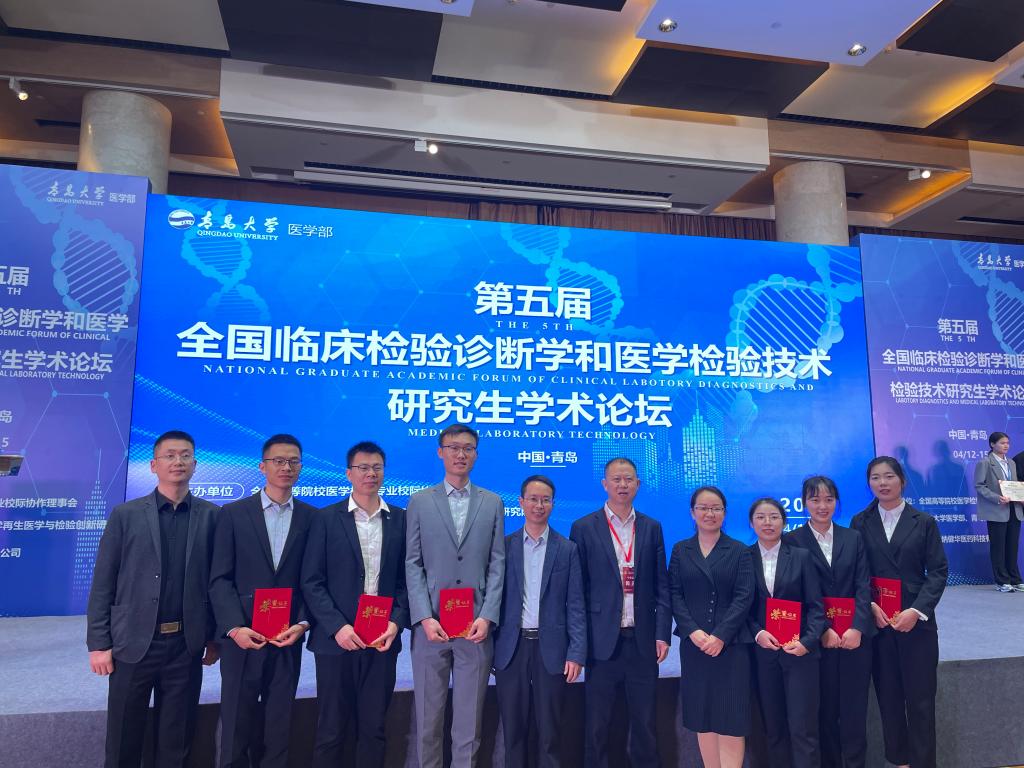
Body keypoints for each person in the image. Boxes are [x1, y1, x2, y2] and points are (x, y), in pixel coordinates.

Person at [86, 430, 219, 768]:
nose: (178, 461)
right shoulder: (126, 515)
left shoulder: (212, 516)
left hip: (186, 645)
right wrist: (99, 643)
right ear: (153, 465)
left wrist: (214, 637)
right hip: (133, 642)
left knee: (177, 741)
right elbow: (103, 582)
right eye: (170, 455)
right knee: (124, 738)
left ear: (195, 464)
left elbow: (217, 583)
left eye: (185, 455)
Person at [208, 434, 316, 768]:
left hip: (287, 637)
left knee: (278, 723)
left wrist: (302, 623)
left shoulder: (312, 518)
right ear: (262, 466)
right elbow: (219, 579)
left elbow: (313, 580)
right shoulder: (233, 514)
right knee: (236, 722)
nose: (286, 467)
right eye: (278, 461)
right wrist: (234, 628)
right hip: (243, 637)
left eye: (293, 461)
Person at [302, 440, 408, 768]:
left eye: (377, 467)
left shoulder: (401, 519)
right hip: (337, 642)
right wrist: (338, 627)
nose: (370, 474)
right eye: (363, 467)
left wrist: (396, 622)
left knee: (374, 729)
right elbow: (312, 581)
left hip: (381, 641)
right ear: (349, 473)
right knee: (331, 730)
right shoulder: (325, 518)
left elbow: (407, 581)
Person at [405, 424, 505, 768]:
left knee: (469, 725)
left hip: (475, 628)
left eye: (468, 448)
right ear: (440, 452)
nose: (461, 454)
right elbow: (413, 563)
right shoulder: (420, 501)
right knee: (427, 723)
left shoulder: (492, 502)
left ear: (476, 454)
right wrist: (424, 617)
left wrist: (487, 615)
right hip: (431, 628)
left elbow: (497, 563)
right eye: (454, 448)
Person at [569, 457, 671, 768]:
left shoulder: (652, 527)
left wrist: (662, 634)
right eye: (616, 479)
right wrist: (579, 644)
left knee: (645, 723)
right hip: (601, 643)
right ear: (605, 484)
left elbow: (662, 587)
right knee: (597, 725)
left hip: (642, 642)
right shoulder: (584, 527)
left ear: (638, 484)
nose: (623, 485)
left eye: (628, 479)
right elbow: (577, 592)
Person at [851, 456, 948, 768]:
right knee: (889, 700)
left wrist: (916, 610)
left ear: (902, 481)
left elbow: (938, 572)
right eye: (876, 477)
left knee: (921, 702)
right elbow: (855, 573)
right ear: (869, 483)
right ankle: (899, 761)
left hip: (916, 624)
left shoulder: (924, 521)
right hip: (878, 625)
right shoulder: (860, 522)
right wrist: (869, 606)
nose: (883, 483)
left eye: (889, 476)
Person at [493, 475, 586, 768]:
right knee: (513, 732)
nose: (539, 505)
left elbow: (576, 605)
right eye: (533, 499)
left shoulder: (567, 549)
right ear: (521, 503)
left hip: (552, 651)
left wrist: (576, 653)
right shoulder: (503, 547)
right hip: (511, 649)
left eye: (545, 500)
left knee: (550, 734)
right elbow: (492, 599)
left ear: (553, 504)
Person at [785, 476, 874, 768]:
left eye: (828, 499)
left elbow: (863, 585)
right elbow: (795, 593)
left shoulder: (853, 537)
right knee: (823, 712)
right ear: (804, 503)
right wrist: (821, 630)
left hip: (853, 640)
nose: (822, 506)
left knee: (854, 711)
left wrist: (857, 627)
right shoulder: (792, 541)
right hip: (817, 642)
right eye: (815, 500)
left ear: (836, 502)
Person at [668, 486, 754, 768]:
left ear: (725, 513)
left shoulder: (739, 550)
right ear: (692, 513)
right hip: (695, 646)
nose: (710, 513)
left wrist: (720, 636)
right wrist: (692, 631)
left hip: (731, 647)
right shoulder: (681, 550)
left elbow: (744, 597)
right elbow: (674, 594)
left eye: (716, 508)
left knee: (730, 718)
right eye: (703, 508)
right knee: (702, 717)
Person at [747, 497, 825, 768]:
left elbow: (816, 607)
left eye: (774, 517)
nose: (767, 522)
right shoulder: (743, 558)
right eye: (760, 517)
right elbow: (740, 609)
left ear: (784, 521)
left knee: (804, 729)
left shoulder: (801, 557)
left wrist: (807, 642)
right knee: (774, 728)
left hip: (800, 655)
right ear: (751, 523)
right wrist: (758, 633)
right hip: (764, 655)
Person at [975, 432, 1023, 591]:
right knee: (998, 547)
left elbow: (1014, 485)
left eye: (1007, 443)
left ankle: (1015, 579)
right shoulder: (985, 462)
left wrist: (1020, 496)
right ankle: (1002, 581)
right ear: (992, 444)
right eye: (1002, 443)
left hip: (1014, 509)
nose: (1006, 446)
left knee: (1012, 546)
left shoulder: (1011, 463)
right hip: (997, 510)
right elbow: (979, 486)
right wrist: (996, 498)